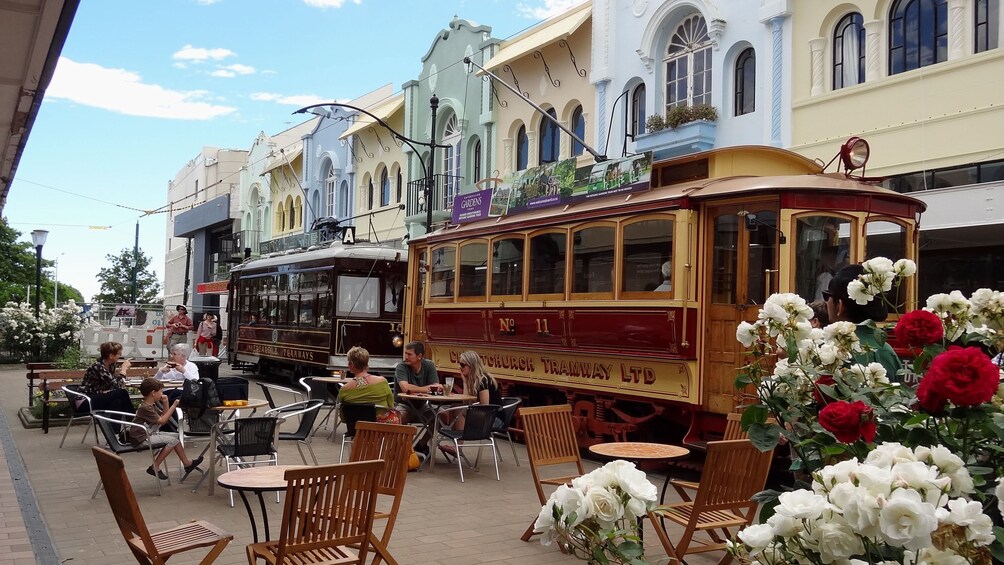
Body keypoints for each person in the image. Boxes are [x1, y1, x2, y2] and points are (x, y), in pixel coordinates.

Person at [824, 264, 903, 378]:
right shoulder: (886, 350)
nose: (826, 303)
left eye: (827, 296)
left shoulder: (829, 349)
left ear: (839, 305)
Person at [129, 378, 203, 479]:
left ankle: (187, 464)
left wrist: (166, 403)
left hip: (147, 434)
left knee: (176, 437)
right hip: (141, 438)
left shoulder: (151, 405)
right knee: (172, 441)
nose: (162, 393)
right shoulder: (146, 408)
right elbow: (162, 421)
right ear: (153, 393)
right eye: (161, 391)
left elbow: (165, 416)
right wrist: (174, 405)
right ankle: (155, 467)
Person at [444, 351, 503, 456]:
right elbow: (465, 401)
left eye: (462, 365)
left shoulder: (483, 380)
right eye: (459, 364)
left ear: (471, 365)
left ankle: (459, 447)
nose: (460, 367)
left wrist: (468, 410)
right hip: (488, 415)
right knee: (455, 407)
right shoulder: (473, 379)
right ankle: (457, 444)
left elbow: (485, 406)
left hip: (494, 419)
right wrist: (465, 382)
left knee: (459, 410)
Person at [394, 341, 442, 455]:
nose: (406, 357)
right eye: (405, 353)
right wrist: (427, 389)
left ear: (419, 356)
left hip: (422, 406)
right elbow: (405, 388)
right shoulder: (401, 367)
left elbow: (437, 388)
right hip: (403, 405)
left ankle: (421, 445)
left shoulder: (429, 365)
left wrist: (416, 390)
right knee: (398, 419)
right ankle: (401, 450)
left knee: (441, 416)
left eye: (409, 354)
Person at [337, 346, 399, 424]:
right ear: (367, 363)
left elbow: (343, 417)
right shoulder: (382, 381)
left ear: (351, 364)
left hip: (357, 429)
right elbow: (391, 405)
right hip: (382, 430)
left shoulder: (344, 390)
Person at [81, 342, 135, 428]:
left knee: (117, 402)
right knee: (122, 393)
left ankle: (114, 436)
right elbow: (117, 385)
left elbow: (113, 385)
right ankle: (134, 421)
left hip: (98, 397)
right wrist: (123, 370)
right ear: (111, 356)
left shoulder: (110, 365)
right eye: (118, 354)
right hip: (85, 401)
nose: (120, 356)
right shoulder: (98, 367)